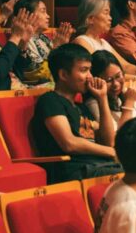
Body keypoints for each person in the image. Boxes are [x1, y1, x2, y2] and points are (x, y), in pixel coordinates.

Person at [32, 43, 123, 183]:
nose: (90, 77)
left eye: (90, 70)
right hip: (74, 171)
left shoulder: (82, 107)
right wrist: (111, 152)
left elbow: (109, 142)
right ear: (63, 74)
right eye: (84, 70)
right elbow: (69, 143)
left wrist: (102, 98)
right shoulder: (50, 101)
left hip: (99, 166)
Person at [73, 0, 136, 76]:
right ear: (91, 19)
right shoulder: (81, 41)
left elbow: (125, 66)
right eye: (106, 13)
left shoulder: (103, 42)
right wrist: (135, 78)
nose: (110, 18)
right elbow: (102, 73)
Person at [13, 0, 73, 86]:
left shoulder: (43, 37)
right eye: (43, 11)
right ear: (28, 14)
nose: (48, 16)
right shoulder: (22, 39)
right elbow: (37, 74)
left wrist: (62, 48)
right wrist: (56, 48)